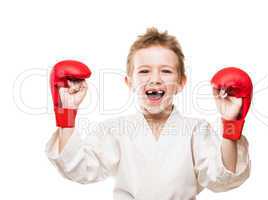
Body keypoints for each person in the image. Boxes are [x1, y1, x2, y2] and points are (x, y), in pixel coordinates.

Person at [45, 27, 251, 200]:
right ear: (129, 82)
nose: (155, 79)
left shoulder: (196, 130)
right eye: (144, 71)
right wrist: (67, 114)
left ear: (181, 82)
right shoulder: (115, 130)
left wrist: (231, 125)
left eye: (166, 71)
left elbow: (222, 179)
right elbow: (79, 169)